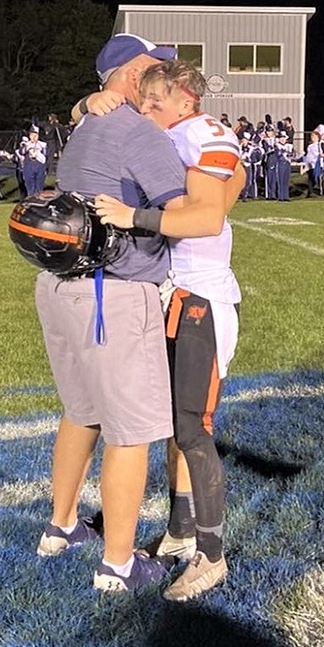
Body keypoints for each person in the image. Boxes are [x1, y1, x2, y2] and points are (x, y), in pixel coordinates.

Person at [32, 33, 188, 593]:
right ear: (127, 79)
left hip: (60, 286)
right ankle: (119, 565)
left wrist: (84, 101)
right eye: (154, 69)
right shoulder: (136, 131)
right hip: (113, 293)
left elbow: (87, 112)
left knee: (82, 412)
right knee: (132, 430)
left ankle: (63, 525)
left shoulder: (86, 124)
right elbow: (187, 208)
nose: (165, 79)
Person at [91, 58, 244, 601]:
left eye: (157, 103)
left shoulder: (201, 131)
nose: (147, 112)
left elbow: (206, 219)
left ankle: (212, 554)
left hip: (200, 297)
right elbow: (237, 179)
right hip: (179, 291)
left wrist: (135, 218)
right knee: (176, 426)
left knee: (193, 430)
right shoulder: (185, 129)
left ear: (185, 99)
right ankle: (181, 531)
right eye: (145, 102)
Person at [17, 125, 47, 198]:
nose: (34, 137)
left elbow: (46, 156)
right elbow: (21, 152)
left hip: (39, 167)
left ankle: (38, 201)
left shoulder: (43, 145)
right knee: (30, 187)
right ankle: (31, 200)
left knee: (39, 187)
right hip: (29, 167)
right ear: (29, 136)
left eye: (35, 135)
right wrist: (27, 147)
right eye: (32, 135)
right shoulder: (26, 144)